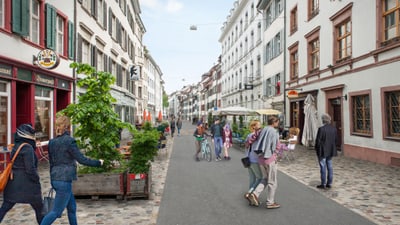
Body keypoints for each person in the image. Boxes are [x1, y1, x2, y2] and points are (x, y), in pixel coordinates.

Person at [40, 115, 104, 225]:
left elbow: (51, 163)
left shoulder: (52, 142)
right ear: (68, 127)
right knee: (56, 212)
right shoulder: (70, 141)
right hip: (64, 181)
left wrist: (52, 179)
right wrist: (98, 162)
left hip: (56, 179)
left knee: (72, 208)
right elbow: (81, 159)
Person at [0, 124, 44, 224]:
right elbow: (30, 169)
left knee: (6, 206)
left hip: (13, 182)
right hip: (27, 184)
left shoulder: (16, 146)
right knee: (39, 208)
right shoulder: (27, 148)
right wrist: (36, 179)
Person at [246, 115, 281, 209]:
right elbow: (275, 146)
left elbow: (253, 138)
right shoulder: (274, 132)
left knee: (265, 179)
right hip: (269, 158)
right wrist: (276, 154)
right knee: (272, 181)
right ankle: (270, 202)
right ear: (274, 123)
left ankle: (254, 194)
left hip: (260, 158)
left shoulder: (262, 130)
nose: (278, 124)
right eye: (277, 122)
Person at [315, 113, 338, 189]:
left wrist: (316, 150)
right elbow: (336, 140)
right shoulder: (334, 129)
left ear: (323, 120)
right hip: (330, 150)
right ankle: (329, 183)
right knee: (330, 166)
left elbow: (318, 141)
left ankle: (323, 183)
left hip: (322, 151)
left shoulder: (321, 129)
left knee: (323, 167)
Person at [243, 120, 263, 205]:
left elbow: (246, 146)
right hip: (254, 159)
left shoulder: (249, 135)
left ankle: (251, 198)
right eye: (259, 125)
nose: (260, 126)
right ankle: (250, 193)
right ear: (254, 126)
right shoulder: (257, 136)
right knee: (260, 178)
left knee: (252, 178)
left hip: (248, 159)